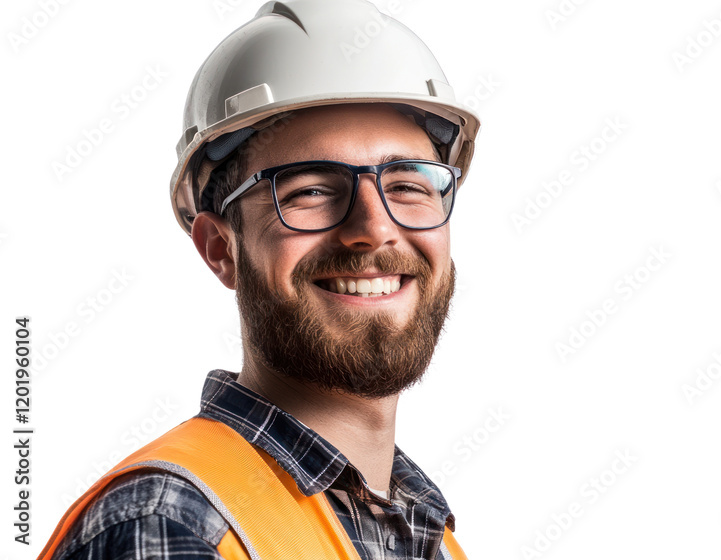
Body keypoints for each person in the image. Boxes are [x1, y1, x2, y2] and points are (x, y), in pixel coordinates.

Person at [36, 0, 480, 558]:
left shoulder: (430, 537)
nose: (375, 229)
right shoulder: (173, 527)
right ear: (220, 249)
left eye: (408, 185)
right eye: (310, 190)